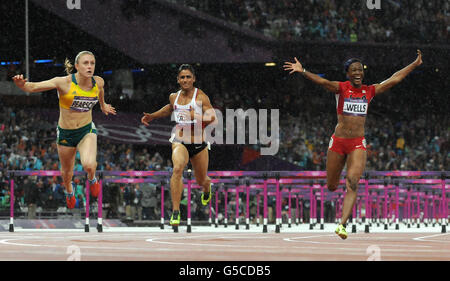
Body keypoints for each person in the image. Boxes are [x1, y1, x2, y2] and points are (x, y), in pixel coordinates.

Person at [284, 50, 422, 239]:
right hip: (338, 143)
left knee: (353, 182)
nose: (357, 72)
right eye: (353, 70)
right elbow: (322, 82)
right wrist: (302, 70)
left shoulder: (369, 91)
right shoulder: (340, 88)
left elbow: (394, 79)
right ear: (347, 74)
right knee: (332, 186)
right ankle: (338, 188)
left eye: (360, 69)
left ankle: (342, 225)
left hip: (357, 143)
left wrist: (414, 64)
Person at [12, 51, 116, 209]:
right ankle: (69, 191)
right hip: (66, 133)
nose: (89, 66)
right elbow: (33, 87)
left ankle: (93, 178)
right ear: (76, 66)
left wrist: (103, 105)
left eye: (92, 63)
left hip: (86, 130)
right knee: (67, 174)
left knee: (89, 164)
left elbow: (100, 91)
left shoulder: (98, 81)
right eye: (85, 63)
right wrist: (22, 85)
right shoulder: (64, 82)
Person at [141, 64, 217, 227]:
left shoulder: (201, 96)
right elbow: (169, 109)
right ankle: (176, 212)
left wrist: (195, 116)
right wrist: (152, 116)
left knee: (201, 179)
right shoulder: (173, 97)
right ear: (178, 79)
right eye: (182, 77)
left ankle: (207, 187)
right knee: (177, 169)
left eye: (188, 77)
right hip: (180, 139)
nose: (185, 80)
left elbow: (213, 117)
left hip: (198, 143)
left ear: (194, 79)